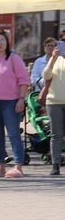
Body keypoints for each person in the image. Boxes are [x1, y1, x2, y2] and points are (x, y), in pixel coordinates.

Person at [0, 30, 30, 178]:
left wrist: (21, 99)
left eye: (2, 41)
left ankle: (18, 166)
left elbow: (24, 80)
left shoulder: (14, 59)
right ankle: (0, 166)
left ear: (7, 43)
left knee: (14, 134)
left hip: (11, 102)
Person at [39, 47, 65, 175]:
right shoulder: (56, 59)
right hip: (54, 102)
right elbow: (46, 75)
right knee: (56, 134)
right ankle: (55, 164)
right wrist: (53, 59)